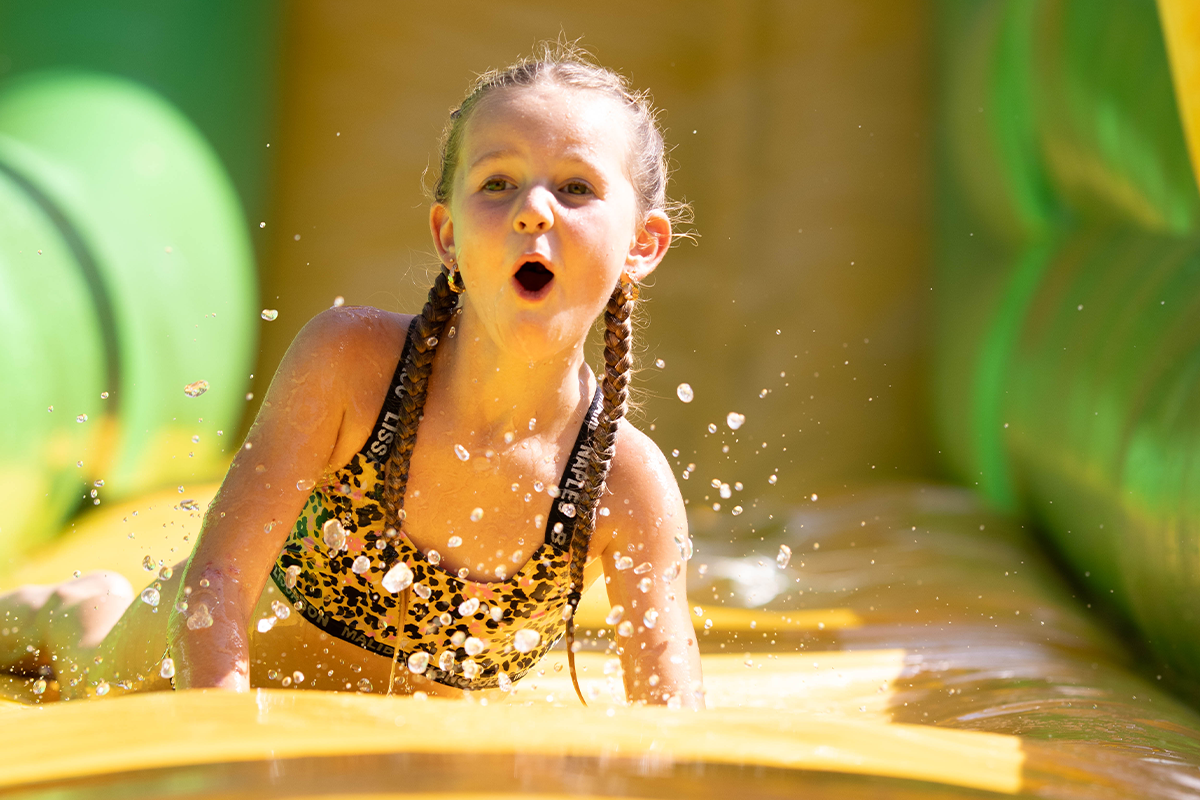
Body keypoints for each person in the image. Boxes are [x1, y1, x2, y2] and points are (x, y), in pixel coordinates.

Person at [0, 43, 702, 708]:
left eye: (576, 187)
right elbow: (216, 584)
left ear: (643, 244)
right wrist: (225, 753)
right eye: (498, 183)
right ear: (447, 236)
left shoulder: (625, 486)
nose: (533, 209)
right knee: (85, 646)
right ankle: (77, 606)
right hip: (165, 675)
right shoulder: (353, 369)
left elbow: (669, 723)